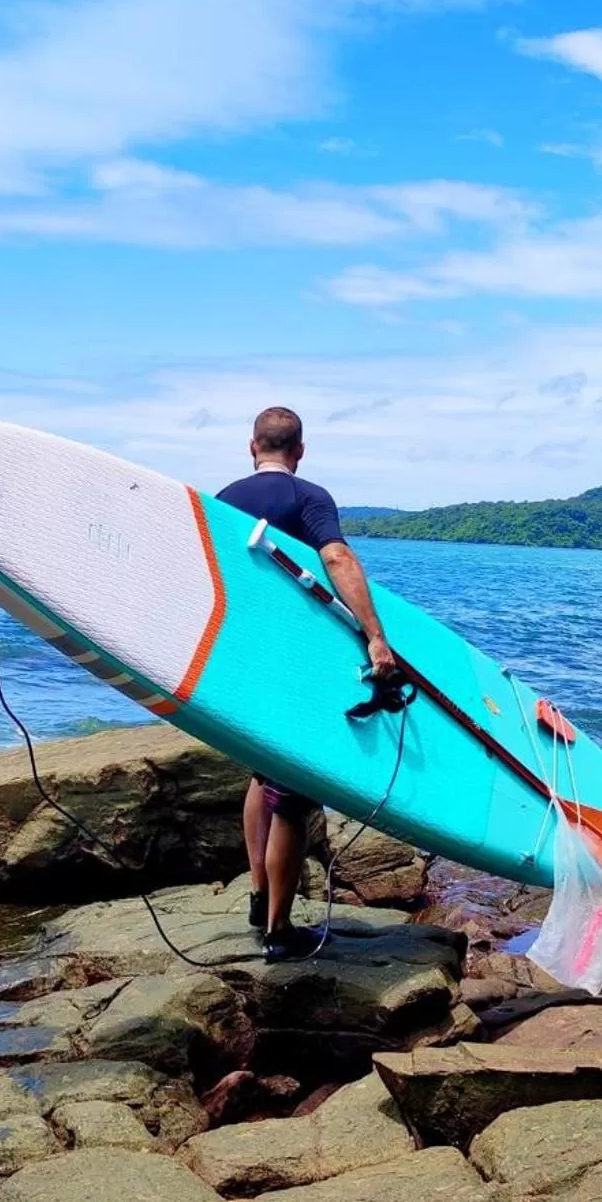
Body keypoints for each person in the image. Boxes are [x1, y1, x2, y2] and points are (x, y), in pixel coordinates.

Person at [217, 406, 398, 961]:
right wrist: (375, 636)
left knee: (260, 774)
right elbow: (336, 557)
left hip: (243, 659)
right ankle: (278, 928)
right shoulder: (310, 497)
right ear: (299, 450)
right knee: (294, 795)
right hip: (296, 662)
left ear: (253, 446)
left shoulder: (222, 500)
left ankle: (256, 890)